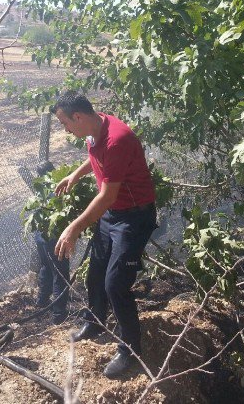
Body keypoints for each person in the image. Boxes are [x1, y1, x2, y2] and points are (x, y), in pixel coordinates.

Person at [51, 90, 157, 379]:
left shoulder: (117, 138)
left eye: (65, 124)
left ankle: (130, 350)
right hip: (114, 214)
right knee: (95, 273)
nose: (65, 129)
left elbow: (107, 196)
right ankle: (95, 321)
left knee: (115, 284)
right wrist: (76, 174)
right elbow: (96, 157)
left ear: (78, 117)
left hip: (133, 217)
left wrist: (73, 228)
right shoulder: (94, 130)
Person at [33, 161, 70, 325]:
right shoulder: (59, 189)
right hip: (55, 238)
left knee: (46, 267)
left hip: (41, 238)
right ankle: (59, 314)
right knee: (60, 273)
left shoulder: (39, 190)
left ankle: (41, 300)